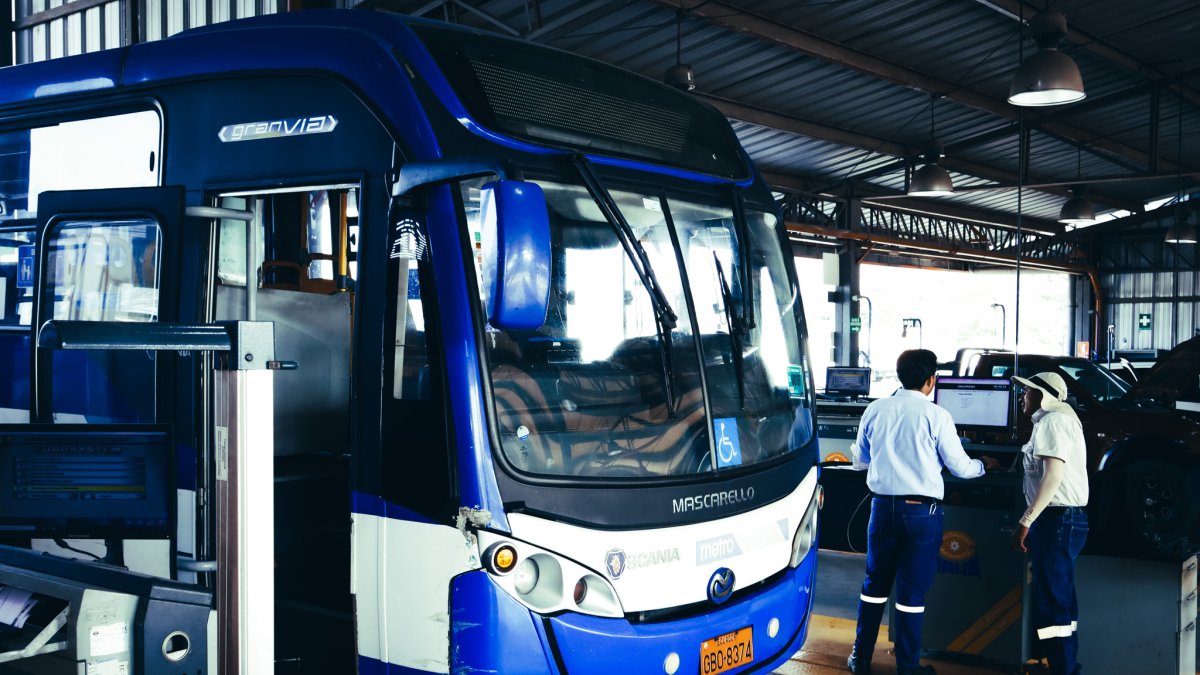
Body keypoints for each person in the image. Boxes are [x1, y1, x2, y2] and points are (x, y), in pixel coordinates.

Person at [847, 349, 999, 675]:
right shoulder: (936, 415)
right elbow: (960, 468)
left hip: (881, 509)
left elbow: (860, 461)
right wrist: (984, 465)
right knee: (910, 593)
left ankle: (860, 658)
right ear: (932, 380)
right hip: (921, 515)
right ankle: (907, 666)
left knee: (874, 587)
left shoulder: (875, 409)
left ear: (900, 375)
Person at [1010, 372, 1089, 675]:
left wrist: (1025, 521)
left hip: (1056, 520)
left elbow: (1052, 477)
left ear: (1044, 396)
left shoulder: (1053, 421)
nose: (1023, 396)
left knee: (1054, 602)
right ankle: (1065, 666)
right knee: (1061, 599)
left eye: (1028, 392)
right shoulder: (1057, 421)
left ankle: (1062, 669)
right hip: (1063, 520)